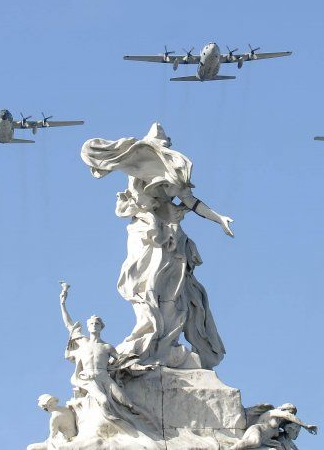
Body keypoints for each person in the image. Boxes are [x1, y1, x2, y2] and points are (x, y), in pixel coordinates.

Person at [80, 123, 231, 369]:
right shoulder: (137, 172)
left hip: (171, 237)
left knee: (174, 290)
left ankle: (164, 344)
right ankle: (148, 336)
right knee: (142, 284)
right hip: (145, 233)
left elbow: (191, 202)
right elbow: (135, 194)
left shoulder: (173, 174)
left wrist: (219, 218)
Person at [59, 282, 142, 421]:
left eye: (97, 324)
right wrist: (63, 304)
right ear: (88, 326)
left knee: (125, 400)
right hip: (88, 378)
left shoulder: (107, 347)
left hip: (103, 376)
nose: (93, 326)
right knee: (103, 400)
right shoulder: (83, 342)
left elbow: (123, 361)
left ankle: (144, 421)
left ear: (101, 327)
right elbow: (69, 325)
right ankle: (108, 421)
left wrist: (140, 365)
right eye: (91, 324)